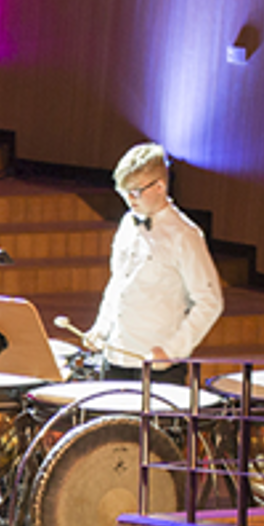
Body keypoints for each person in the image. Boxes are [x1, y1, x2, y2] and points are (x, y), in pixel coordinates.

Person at [84, 143, 223, 384]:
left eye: (135, 192)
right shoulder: (128, 223)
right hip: (115, 357)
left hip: (158, 367)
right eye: (123, 192)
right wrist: (101, 327)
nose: (129, 199)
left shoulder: (184, 235)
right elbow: (118, 283)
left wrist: (172, 350)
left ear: (159, 187)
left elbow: (210, 302)